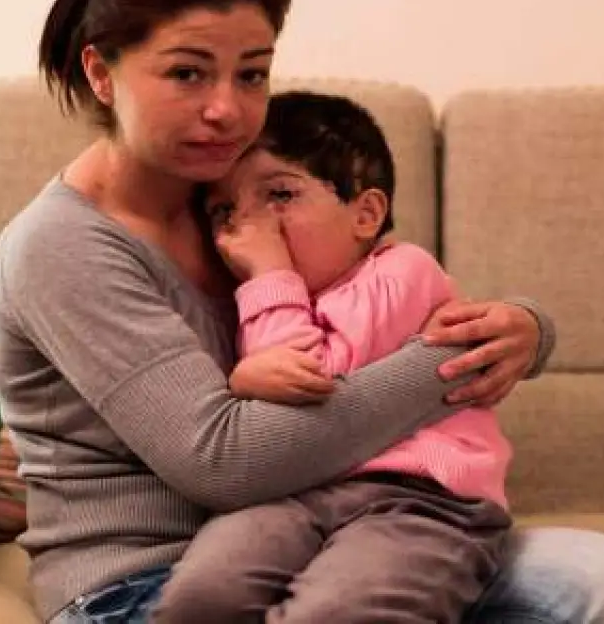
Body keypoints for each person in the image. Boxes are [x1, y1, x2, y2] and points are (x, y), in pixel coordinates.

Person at [0, 0, 604, 624]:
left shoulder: (229, 195)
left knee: (603, 580)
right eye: (187, 74)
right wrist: (457, 359)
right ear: (102, 73)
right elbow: (227, 463)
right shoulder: (62, 246)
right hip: (145, 583)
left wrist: (522, 329)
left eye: (252, 75)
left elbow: (382, 293)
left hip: (335, 535)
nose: (227, 109)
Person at [151, 91, 528, 623]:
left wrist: (269, 277)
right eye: (224, 211)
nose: (251, 226)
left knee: (335, 612)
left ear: (366, 214)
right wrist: (245, 376)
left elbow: (318, 384)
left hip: (421, 500)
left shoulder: (403, 271)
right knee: (203, 594)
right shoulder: (249, 299)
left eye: (280, 194)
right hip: (293, 492)